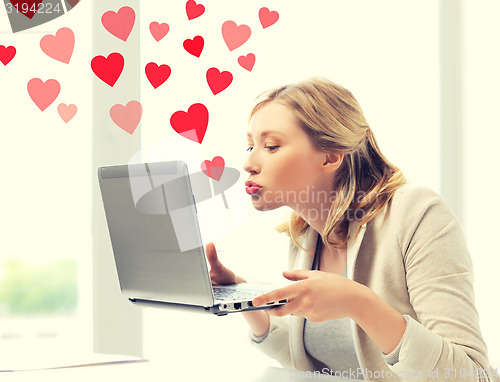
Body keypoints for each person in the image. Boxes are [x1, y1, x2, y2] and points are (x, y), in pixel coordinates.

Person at [205, 78, 498, 381]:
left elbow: (471, 375)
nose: (249, 163)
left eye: (271, 146)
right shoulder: (306, 233)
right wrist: (241, 298)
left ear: (330, 156)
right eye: (250, 145)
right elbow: (319, 362)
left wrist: (358, 303)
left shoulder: (418, 213)